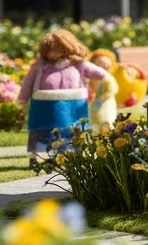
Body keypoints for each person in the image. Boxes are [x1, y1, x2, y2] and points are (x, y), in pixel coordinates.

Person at [18, 30, 111, 158]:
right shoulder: (39, 66)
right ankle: (39, 156)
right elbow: (27, 84)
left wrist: (108, 83)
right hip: (44, 107)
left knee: (72, 131)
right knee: (43, 132)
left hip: (73, 106)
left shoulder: (78, 64)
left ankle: (73, 155)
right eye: (50, 49)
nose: (54, 52)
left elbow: (99, 73)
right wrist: (22, 101)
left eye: (58, 48)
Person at [86, 50, 119, 132]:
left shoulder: (108, 78)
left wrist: (104, 97)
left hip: (106, 103)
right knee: (95, 122)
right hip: (94, 105)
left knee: (107, 121)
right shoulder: (93, 79)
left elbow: (113, 89)